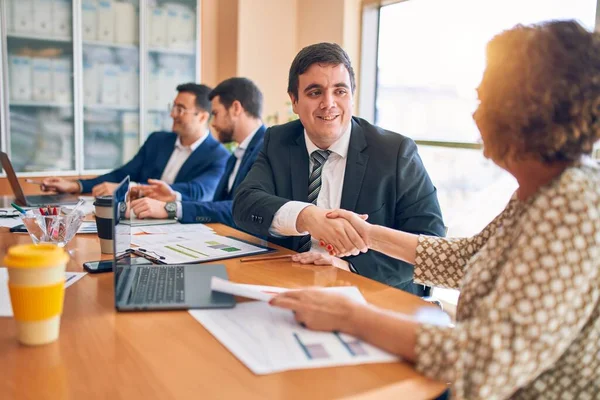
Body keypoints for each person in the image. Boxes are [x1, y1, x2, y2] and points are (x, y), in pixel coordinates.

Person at [270, 21, 600, 399]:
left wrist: (348, 316)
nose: (476, 118)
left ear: (525, 110)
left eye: (484, 100)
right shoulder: (544, 189)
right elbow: (466, 258)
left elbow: (483, 360)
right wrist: (365, 232)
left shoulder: (573, 205)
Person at [233, 43, 445, 293]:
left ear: (352, 96)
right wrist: (307, 217)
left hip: (371, 294)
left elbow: (430, 240)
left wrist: (348, 268)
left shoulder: (395, 152)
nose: (329, 103)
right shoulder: (278, 141)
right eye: (315, 92)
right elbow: (244, 204)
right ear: (294, 101)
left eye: (340, 91)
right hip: (291, 284)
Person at [41, 83, 230, 200]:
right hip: (137, 219)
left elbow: (196, 192)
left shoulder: (219, 157)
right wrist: (76, 185)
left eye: (180, 109)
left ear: (203, 117)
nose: (172, 114)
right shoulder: (158, 141)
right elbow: (123, 175)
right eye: (173, 107)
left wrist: (129, 190)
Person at [129, 78, 266, 226]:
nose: (212, 123)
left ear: (236, 108)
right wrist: (174, 198)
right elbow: (217, 205)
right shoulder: (237, 154)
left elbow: (242, 208)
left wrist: (171, 208)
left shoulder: (266, 150)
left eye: (215, 113)